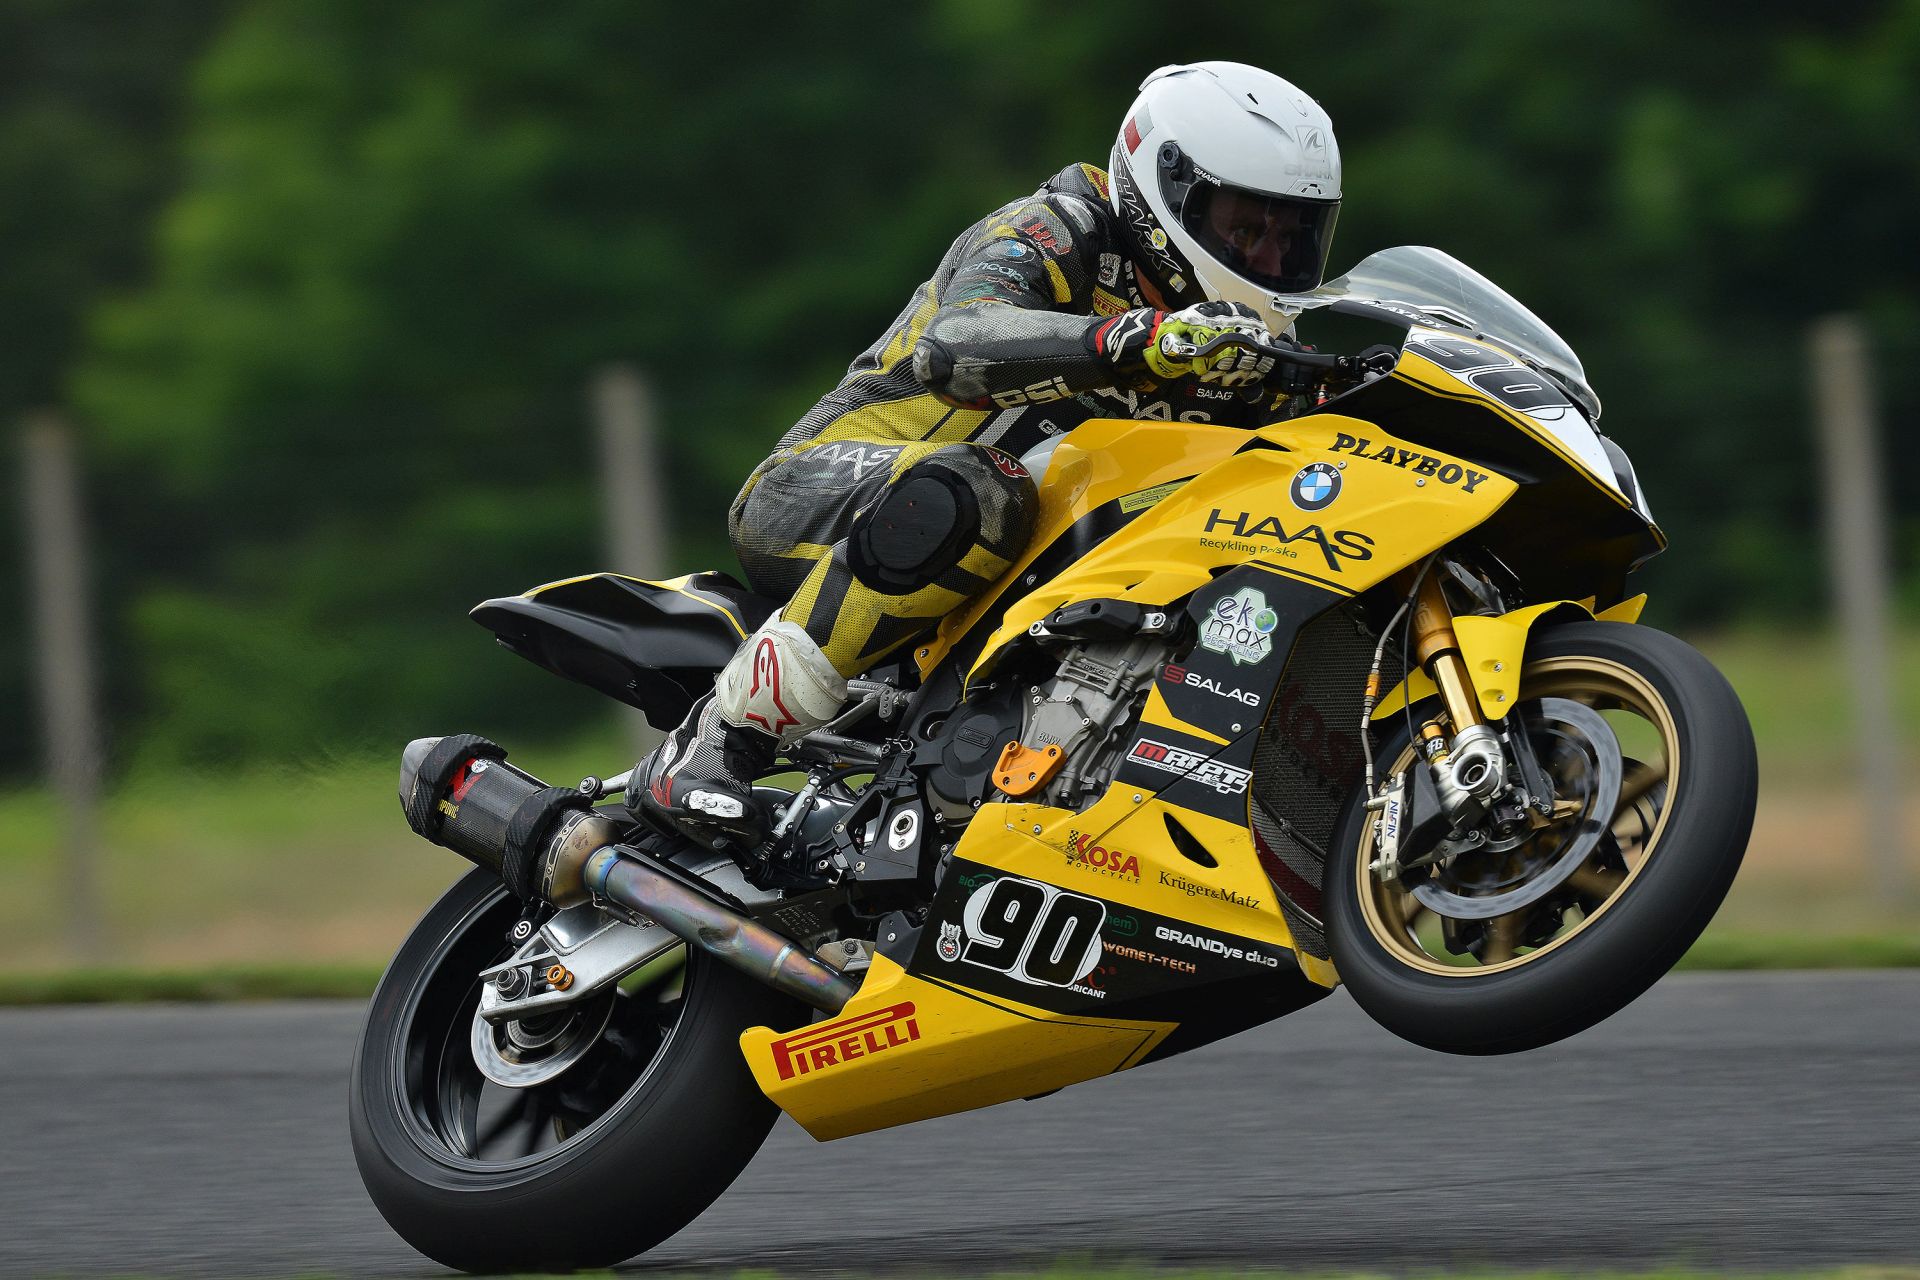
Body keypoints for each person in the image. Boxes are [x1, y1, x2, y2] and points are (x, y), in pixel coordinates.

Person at [636, 60, 1345, 853]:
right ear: (1166, 189)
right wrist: (1129, 339)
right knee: (986, 491)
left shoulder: (1257, 352)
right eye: (1246, 230)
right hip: (827, 488)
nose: (1269, 263)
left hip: (1017, 586)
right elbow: (955, 343)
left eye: (1293, 238)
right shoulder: (1062, 228)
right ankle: (714, 742)